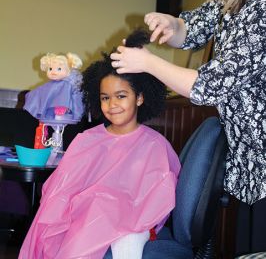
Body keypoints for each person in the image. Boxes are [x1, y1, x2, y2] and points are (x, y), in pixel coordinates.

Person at [111, 0, 266, 252]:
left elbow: (210, 87)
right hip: (249, 169)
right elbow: (190, 30)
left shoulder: (262, 8)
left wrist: (148, 62)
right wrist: (170, 23)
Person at [18, 29, 181, 259]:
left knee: (126, 240)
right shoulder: (87, 140)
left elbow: (157, 198)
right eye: (105, 98)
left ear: (140, 98)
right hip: (84, 220)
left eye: (121, 96)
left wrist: (113, 207)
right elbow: (60, 192)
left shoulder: (155, 145)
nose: (112, 104)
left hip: (131, 224)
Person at [24, 52, 84, 122]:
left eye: (59, 69)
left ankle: (61, 107)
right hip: (53, 112)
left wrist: (62, 106)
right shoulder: (52, 84)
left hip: (64, 110)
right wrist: (31, 95)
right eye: (50, 69)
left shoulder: (67, 84)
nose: (53, 72)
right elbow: (42, 91)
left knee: (65, 90)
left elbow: (66, 96)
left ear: (68, 70)